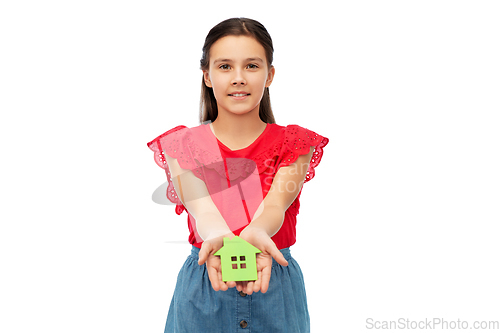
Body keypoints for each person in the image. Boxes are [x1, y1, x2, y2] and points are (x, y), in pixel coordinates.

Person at [147, 17, 329, 333]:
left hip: (274, 284)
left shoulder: (295, 143)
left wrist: (257, 231)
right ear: (207, 75)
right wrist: (218, 236)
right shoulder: (183, 145)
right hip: (206, 282)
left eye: (252, 66)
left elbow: (276, 205)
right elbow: (201, 208)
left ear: (270, 75)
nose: (239, 78)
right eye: (225, 66)